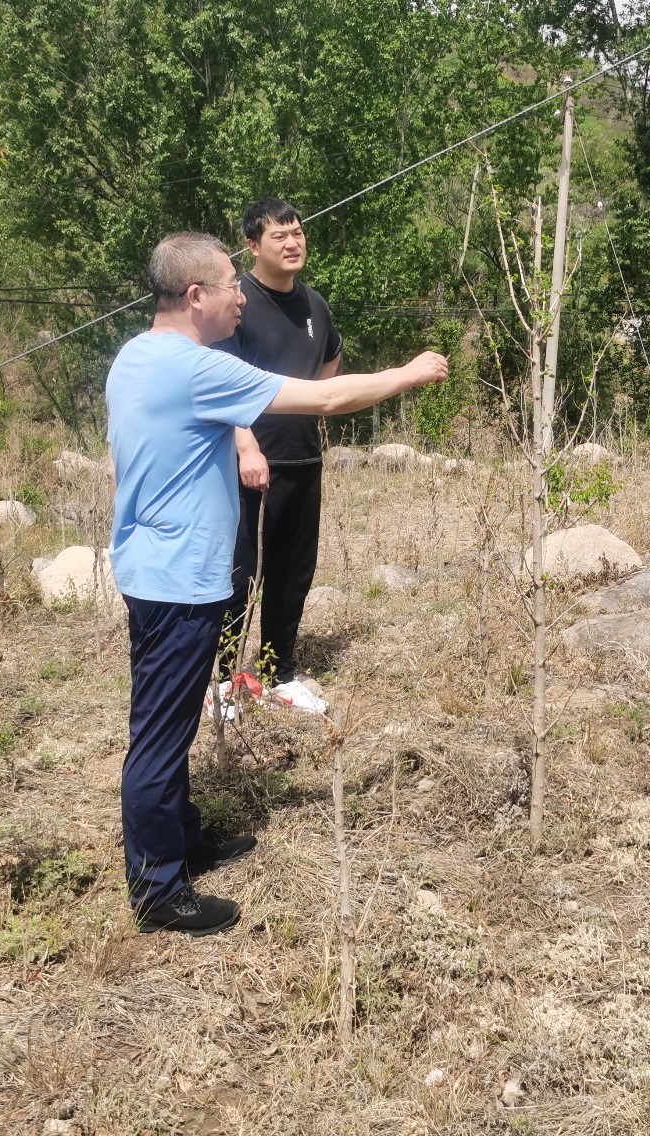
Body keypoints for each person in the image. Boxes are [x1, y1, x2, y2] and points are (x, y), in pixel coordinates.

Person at [107, 232, 447, 936]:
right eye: (230, 285)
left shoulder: (135, 356)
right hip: (180, 582)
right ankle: (159, 891)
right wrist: (408, 373)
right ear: (195, 296)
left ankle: (181, 838)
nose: (241, 296)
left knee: (163, 723)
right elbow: (323, 399)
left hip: (151, 569)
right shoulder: (192, 370)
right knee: (161, 735)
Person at [213, 199, 341, 711]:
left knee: (294, 568)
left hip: (302, 456)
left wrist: (311, 408)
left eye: (297, 233)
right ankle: (223, 679)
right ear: (252, 246)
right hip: (243, 461)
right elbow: (219, 381)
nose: (292, 243)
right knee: (239, 570)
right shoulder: (238, 301)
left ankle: (279, 673)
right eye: (278, 236)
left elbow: (330, 357)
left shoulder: (315, 305)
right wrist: (246, 444)